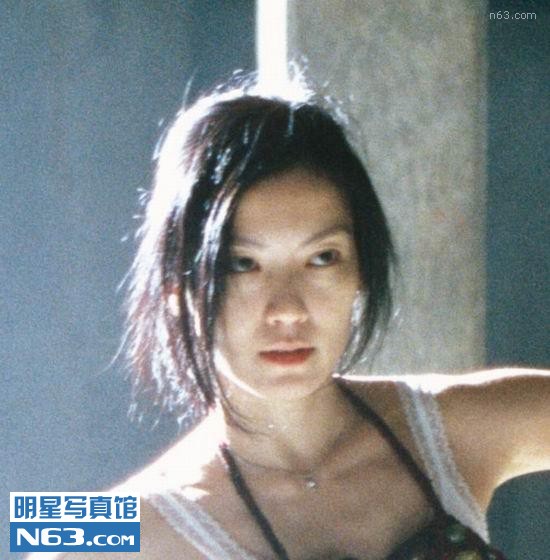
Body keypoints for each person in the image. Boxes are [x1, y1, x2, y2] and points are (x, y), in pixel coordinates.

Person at [50, 79, 549, 559]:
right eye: (242, 264)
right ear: (178, 289)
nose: (288, 310)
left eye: (321, 258)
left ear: (361, 271)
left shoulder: (454, 425)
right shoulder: (105, 525)